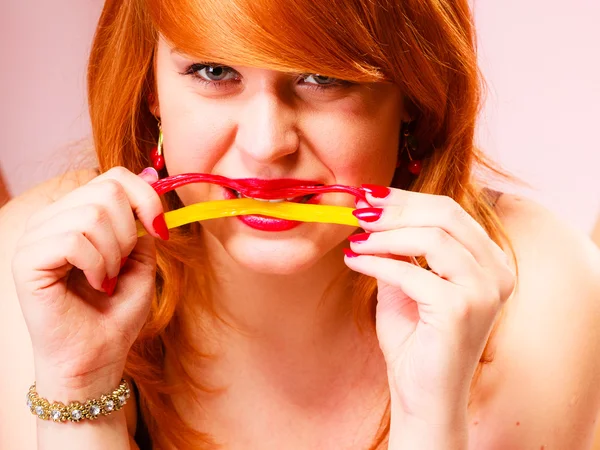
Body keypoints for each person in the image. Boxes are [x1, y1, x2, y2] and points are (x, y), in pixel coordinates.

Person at [1, 0, 599, 448]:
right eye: (213, 71)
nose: (266, 147)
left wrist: (427, 422)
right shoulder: (34, 275)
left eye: (324, 78)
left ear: (413, 98)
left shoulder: (546, 294)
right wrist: (80, 393)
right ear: (151, 87)